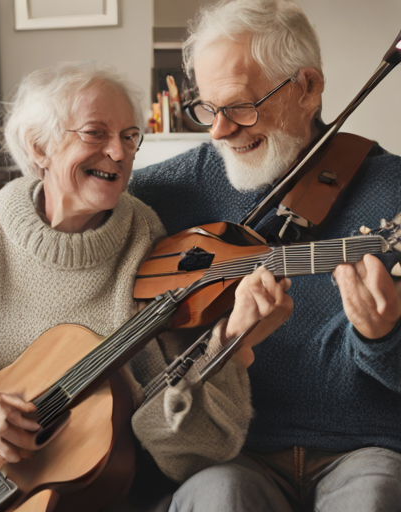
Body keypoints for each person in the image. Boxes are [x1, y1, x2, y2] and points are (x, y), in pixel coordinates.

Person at [0, 61, 292, 509]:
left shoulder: (150, 243)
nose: (119, 153)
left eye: (129, 136)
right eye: (96, 133)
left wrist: (230, 345)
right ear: (39, 146)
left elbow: (187, 455)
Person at [129, 1, 401, 511]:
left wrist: (383, 339)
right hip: (238, 450)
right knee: (218, 498)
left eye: (239, 106)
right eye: (207, 108)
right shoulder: (183, 182)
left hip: (368, 448)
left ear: (308, 88)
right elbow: (68, 201)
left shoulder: (394, 190)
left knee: (376, 497)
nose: (218, 131)